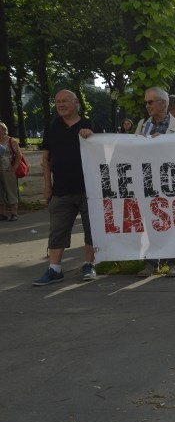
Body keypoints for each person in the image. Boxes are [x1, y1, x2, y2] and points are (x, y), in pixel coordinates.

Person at [32, 90, 99, 286]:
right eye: (57, 102)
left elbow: (104, 151)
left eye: (64, 101)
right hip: (61, 190)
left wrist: (93, 137)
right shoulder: (52, 127)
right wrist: (47, 186)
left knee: (91, 229)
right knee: (57, 231)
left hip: (89, 189)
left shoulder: (91, 124)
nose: (60, 105)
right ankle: (54, 269)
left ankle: (89, 264)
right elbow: (46, 159)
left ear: (76, 102)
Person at [135, 87, 175, 278]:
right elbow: (134, 150)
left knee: (172, 221)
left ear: (163, 103)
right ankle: (151, 263)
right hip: (149, 179)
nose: (147, 106)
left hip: (171, 181)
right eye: (146, 102)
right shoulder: (143, 125)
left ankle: (174, 262)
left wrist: (163, 142)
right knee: (150, 222)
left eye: (151, 102)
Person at [0, 122, 21, 221]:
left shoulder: (11, 141)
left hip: (8, 169)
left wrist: (15, 167)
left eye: (0, 129)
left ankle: (14, 213)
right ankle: (2, 213)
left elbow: (18, 155)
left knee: (11, 191)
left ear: (4, 130)